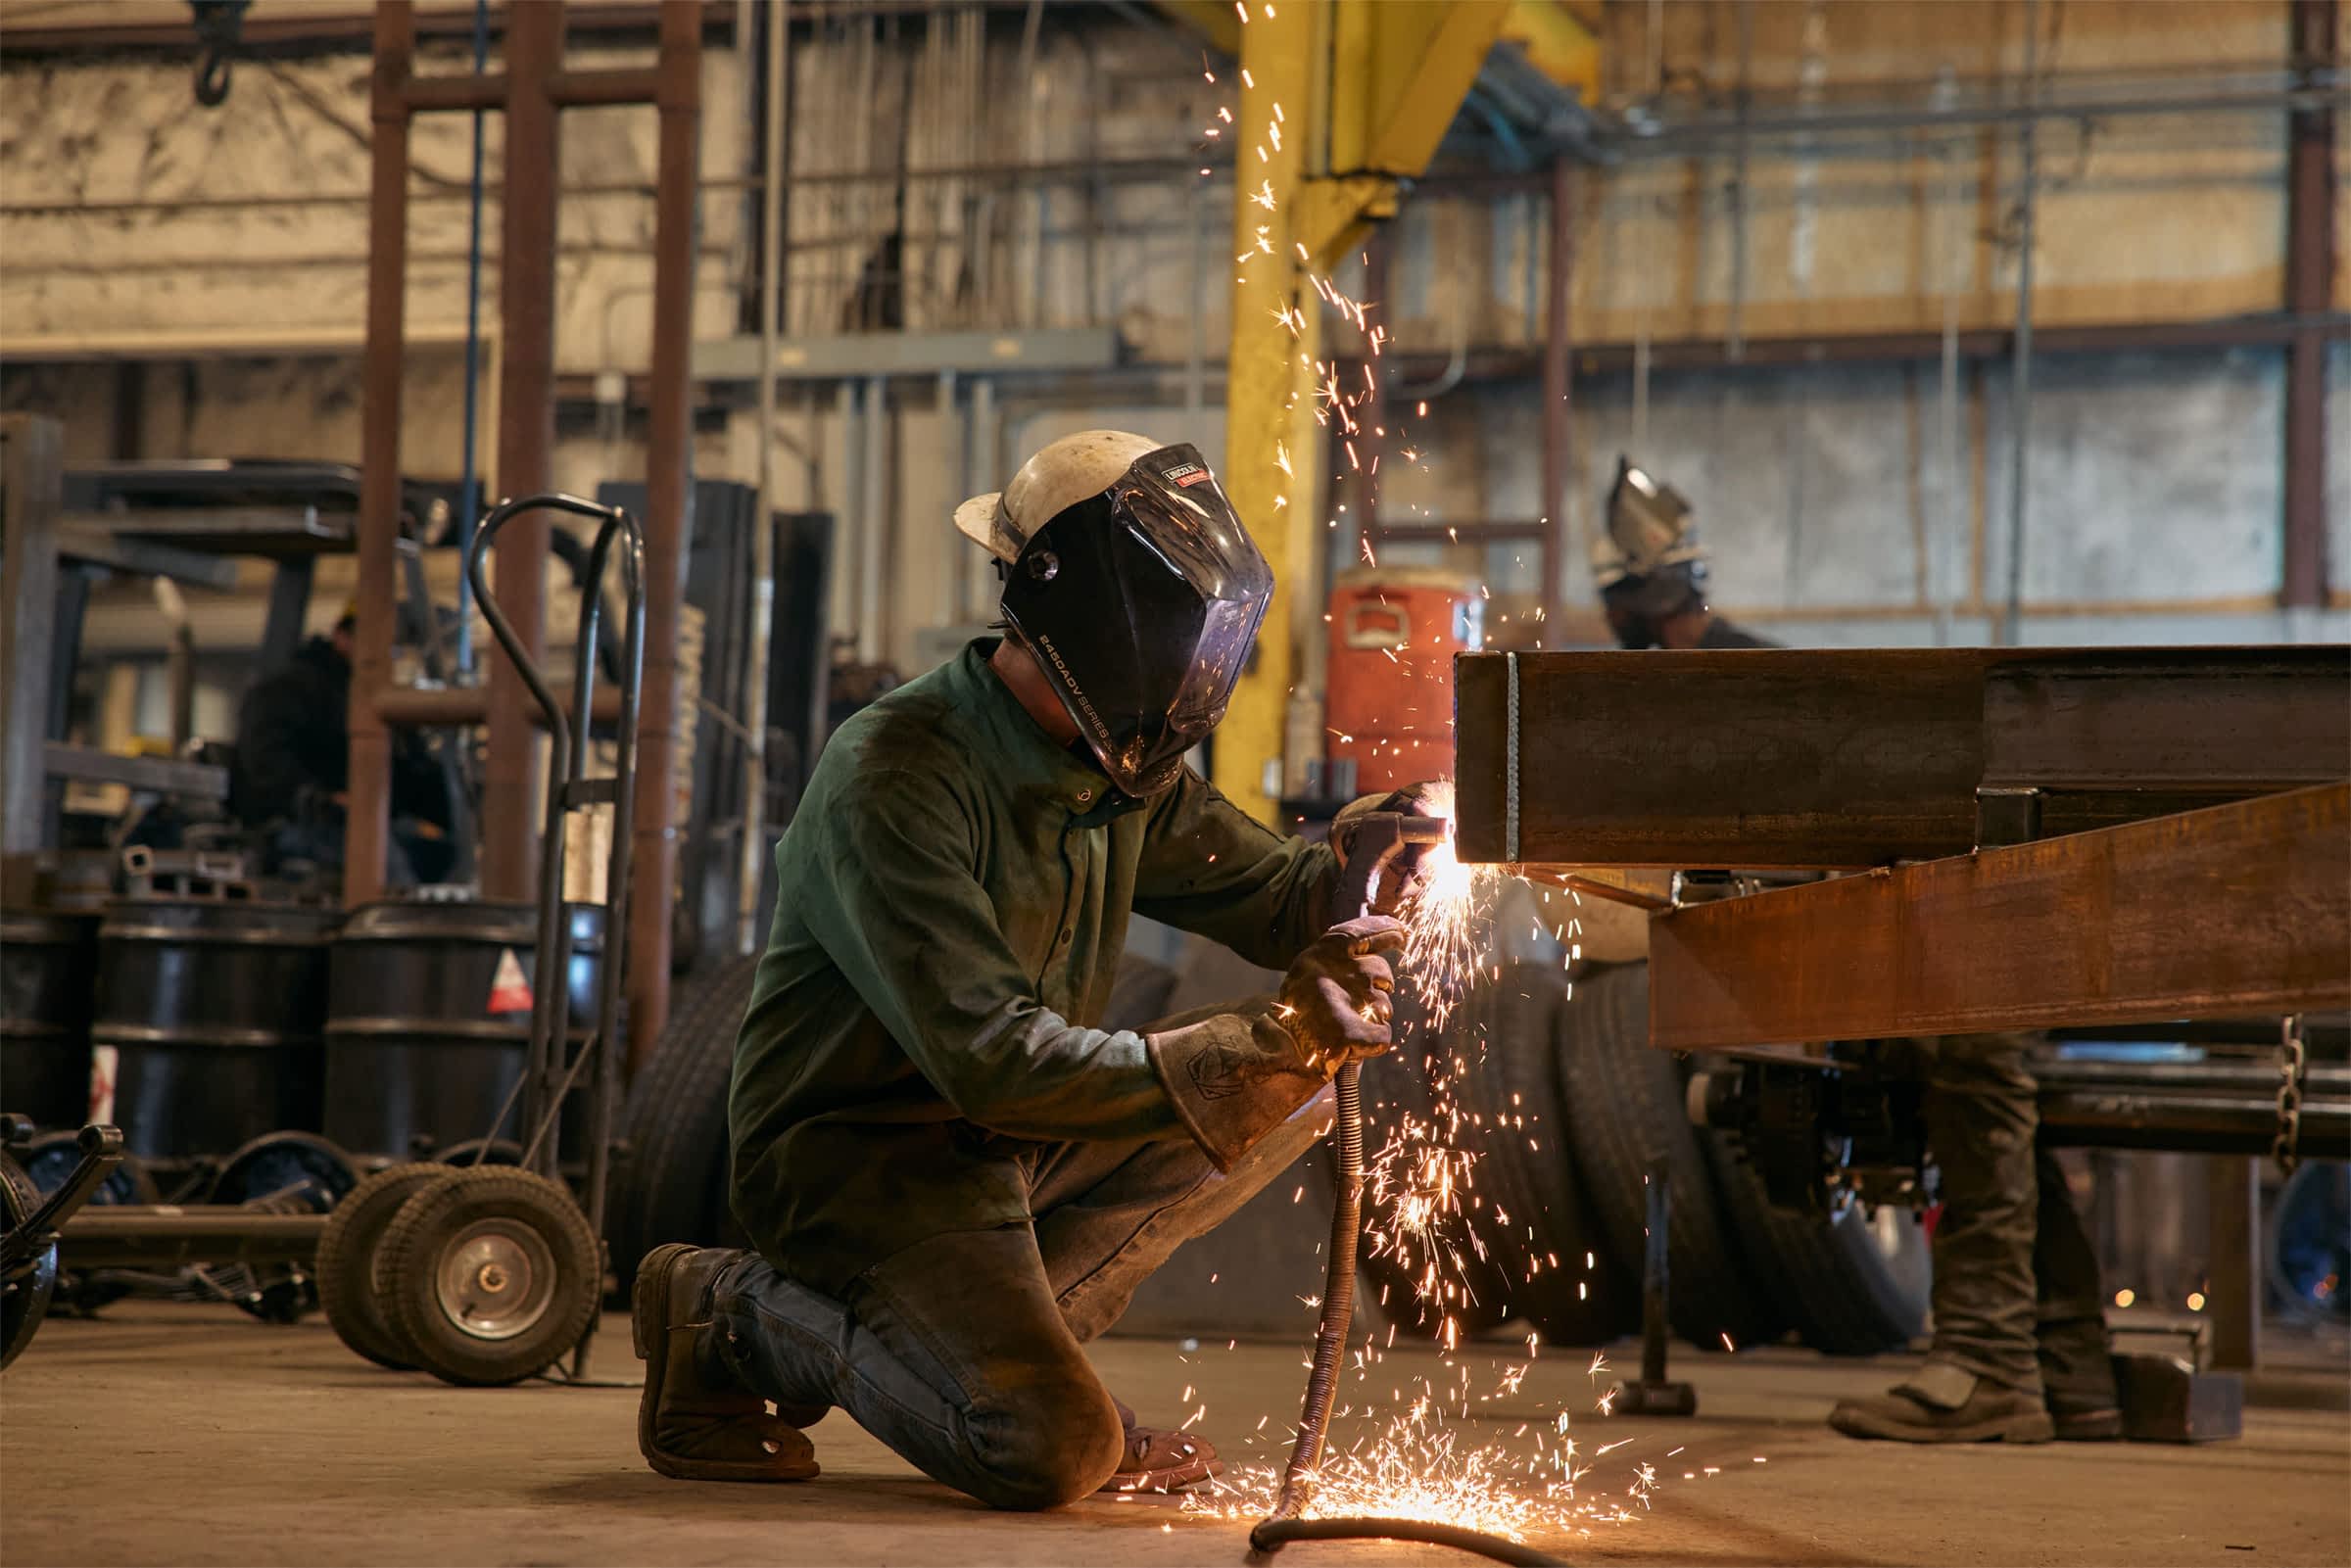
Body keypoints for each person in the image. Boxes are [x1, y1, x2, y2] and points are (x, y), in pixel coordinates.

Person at [631, 430, 1436, 1506]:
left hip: (1014, 1140)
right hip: (862, 1164)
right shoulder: (898, 770)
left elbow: (1274, 896)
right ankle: (727, 1307)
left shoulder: (1122, 763)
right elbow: (991, 1058)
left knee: (1292, 1089)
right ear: (1101, 619)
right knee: (1048, 1445)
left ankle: (985, 1334)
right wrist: (1255, 1040)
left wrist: (1361, 870)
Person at [1593, 455, 2121, 1445]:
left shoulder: (1746, 682)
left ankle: (1995, 1370)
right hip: (1947, 911)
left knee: (1970, 1073)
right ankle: (2072, 1369)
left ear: (1649, 596)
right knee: (1966, 1084)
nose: (1617, 620)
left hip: (1971, 912)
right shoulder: (1725, 679)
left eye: (1623, 601)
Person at [229, 603, 455, 885]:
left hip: (358, 819)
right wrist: (319, 798)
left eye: (392, 648)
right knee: (387, 868)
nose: (388, 657)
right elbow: (264, 760)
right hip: (295, 823)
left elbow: (405, 777)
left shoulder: (369, 698)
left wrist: (457, 806)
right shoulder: (290, 690)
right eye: (378, 644)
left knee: (445, 855)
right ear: (342, 637)